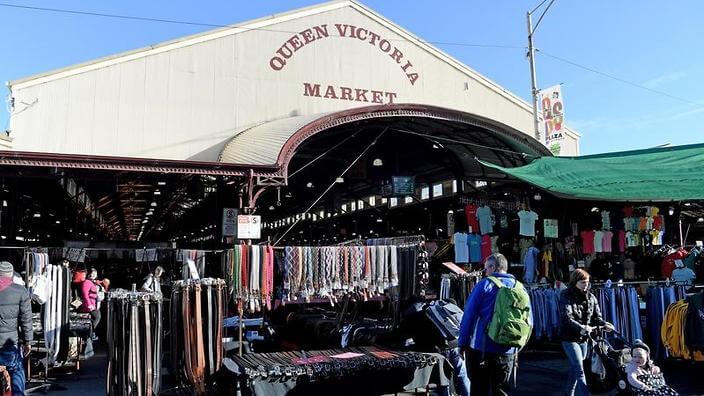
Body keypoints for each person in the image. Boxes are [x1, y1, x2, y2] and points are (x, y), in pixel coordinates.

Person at [459, 253, 528, 396]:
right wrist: (517, 347)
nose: (485, 272)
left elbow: (469, 316)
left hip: (483, 348)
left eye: (485, 269)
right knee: (501, 391)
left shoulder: (484, 285)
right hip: (508, 349)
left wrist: (463, 343)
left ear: (493, 267)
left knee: (479, 389)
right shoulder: (521, 288)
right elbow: (529, 321)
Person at [559, 269, 614, 396]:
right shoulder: (566, 295)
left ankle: (568, 393)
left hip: (584, 338)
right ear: (575, 282)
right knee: (579, 369)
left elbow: (597, 317)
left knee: (576, 368)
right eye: (583, 282)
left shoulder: (591, 297)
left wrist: (604, 324)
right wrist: (581, 327)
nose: (586, 285)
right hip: (569, 338)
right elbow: (566, 317)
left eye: (587, 282)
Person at [0, 261, 33, 396]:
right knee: (16, 372)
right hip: (10, 343)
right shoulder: (20, 291)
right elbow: (26, 320)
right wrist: (28, 342)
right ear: (11, 275)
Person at [80, 268, 101, 341]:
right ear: (89, 274)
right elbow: (85, 294)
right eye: (92, 273)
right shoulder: (87, 282)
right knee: (97, 316)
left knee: (94, 318)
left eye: (95, 274)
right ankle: (90, 333)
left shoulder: (92, 282)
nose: (94, 275)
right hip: (88, 305)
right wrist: (89, 304)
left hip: (92, 304)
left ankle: (90, 333)